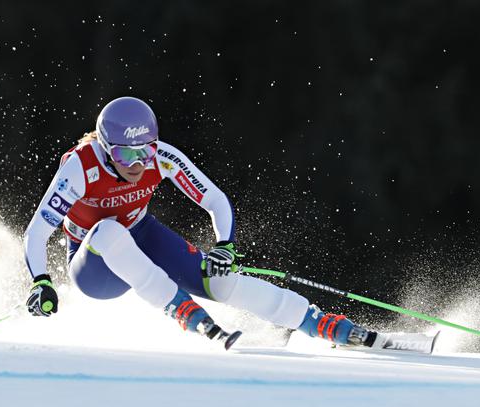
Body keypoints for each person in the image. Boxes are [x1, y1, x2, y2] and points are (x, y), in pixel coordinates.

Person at [23, 96, 387, 350]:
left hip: (143, 236)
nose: (137, 164)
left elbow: (214, 199)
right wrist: (41, 282)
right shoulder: (79, 167)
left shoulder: (162, 158)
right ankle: (186, 313)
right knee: (110, 230)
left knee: (221, 281)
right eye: (125, 154)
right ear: (105, 148)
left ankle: (320, 323)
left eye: (145, 150)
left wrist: (224, 246)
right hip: (95, 267)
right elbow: (38, 230)